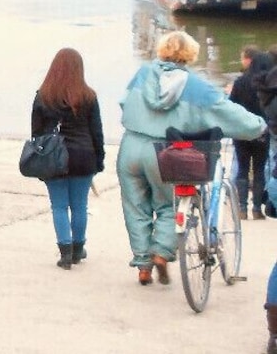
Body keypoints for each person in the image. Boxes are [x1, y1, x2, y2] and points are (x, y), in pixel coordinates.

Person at [117, 30, 265, 286]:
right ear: (191, 54)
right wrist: (259, 126)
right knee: (169, 204)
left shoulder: (142, 74)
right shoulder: (197, 87)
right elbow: (227, 113)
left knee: (135, 207)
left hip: (130, 146)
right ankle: (161, 253)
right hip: (166, 151)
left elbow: (124, 102)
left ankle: (142, 266)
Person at [30, 48, 105, 270]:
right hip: (83, 155)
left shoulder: (43, 95)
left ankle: (65, 252)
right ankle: (78, 248)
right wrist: (99, 160)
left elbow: (36, 132)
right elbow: (97, 132)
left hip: (54, 157)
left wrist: (40, 160)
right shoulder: (89, 96)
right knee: (80, 205)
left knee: (59, 206)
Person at [230, 47, 274, 220]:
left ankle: (242, 208)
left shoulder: (240, 81)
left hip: (241, 130)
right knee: (259, 169)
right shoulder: (269, 83)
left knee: (242, 168)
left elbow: (231, 105)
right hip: (262, 131)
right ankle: (257, 209)